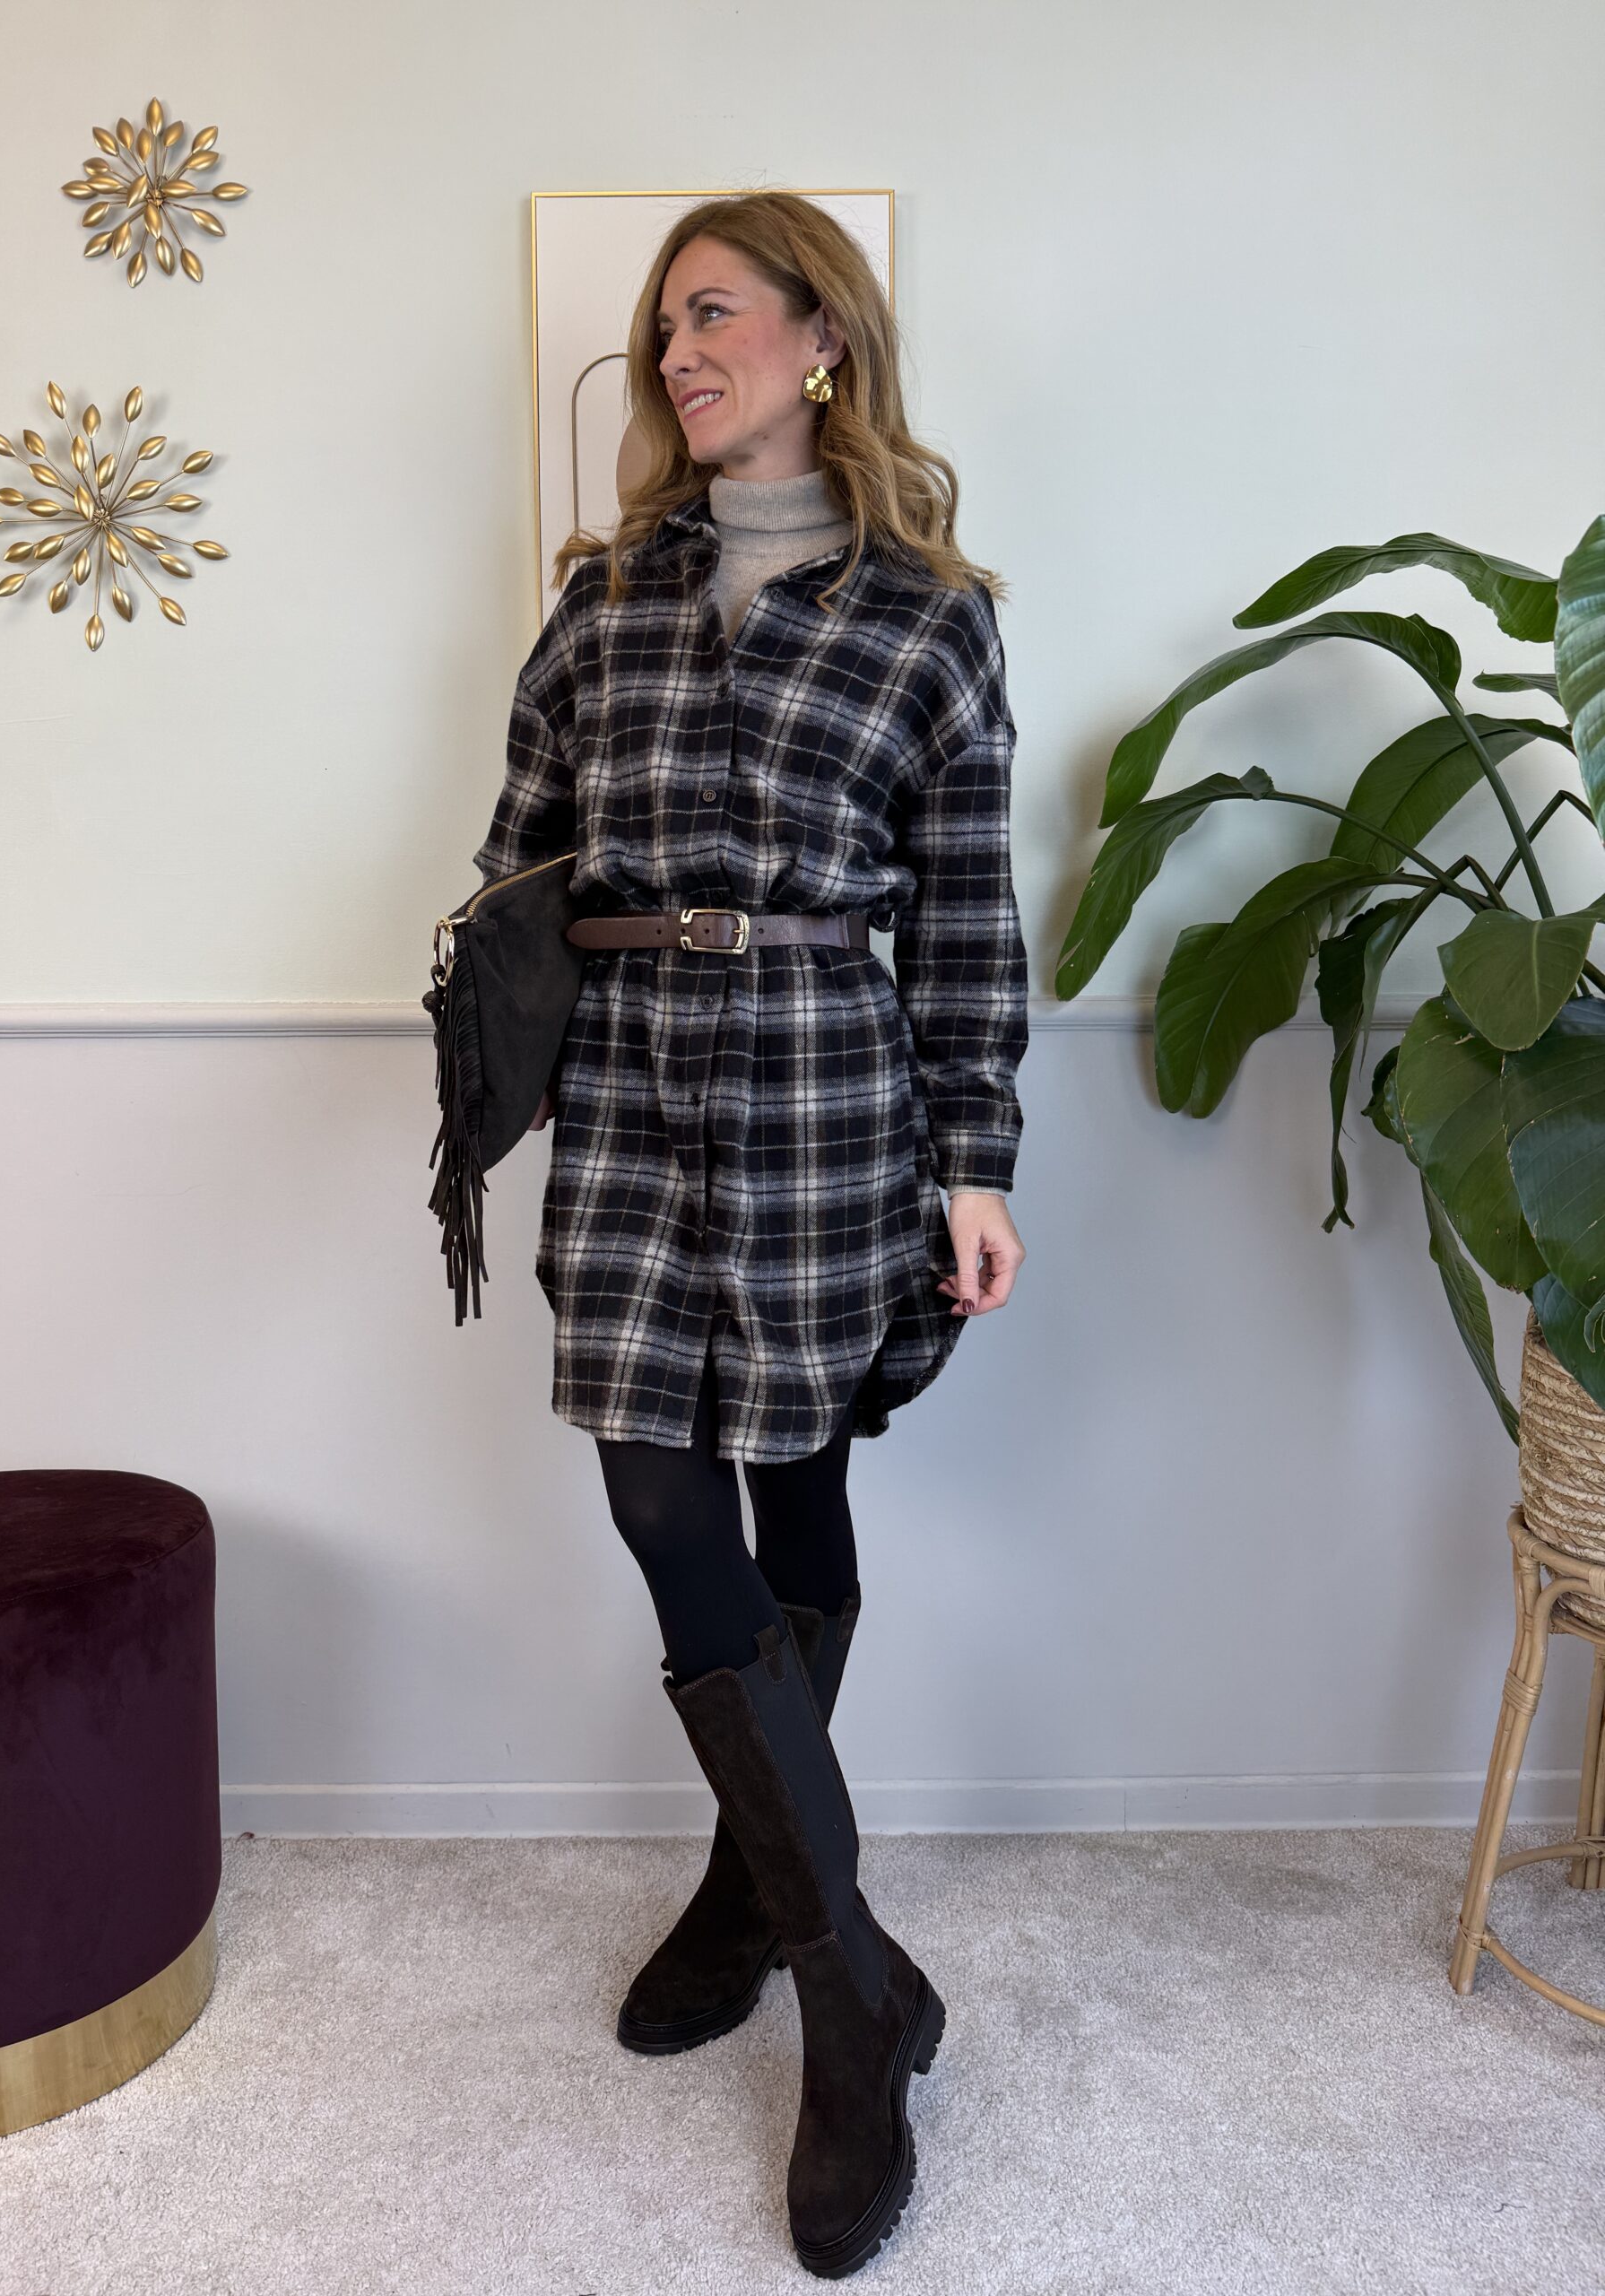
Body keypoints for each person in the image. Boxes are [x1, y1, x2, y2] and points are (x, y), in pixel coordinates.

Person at [473, 190, 1029, 2280]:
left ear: (822, 337)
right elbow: (521, 844)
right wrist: (499, 1027)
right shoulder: (603, 596)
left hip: (822, 1086)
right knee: (657, 1494)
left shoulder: (931, 617)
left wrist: (977, 1157)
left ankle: (750, 1897)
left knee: (794, 1492)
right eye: (662, 325)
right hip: (626, 1085)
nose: (676, 352)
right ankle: (852, 1976)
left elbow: (966, 910)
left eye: (713, 313)